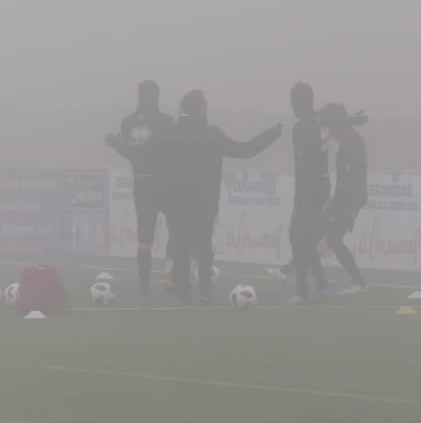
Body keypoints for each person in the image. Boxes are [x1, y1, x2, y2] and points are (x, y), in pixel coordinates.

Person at [156, 90, 281, 305]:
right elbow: (245, 150)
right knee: (204, 245)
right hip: (205, 200)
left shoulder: (173, 133)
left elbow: (159, 163)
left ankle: (183, 291)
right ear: (201, 109)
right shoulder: (212, 134)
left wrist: (163, 198)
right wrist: (271, 135)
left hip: (177, 200)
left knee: (182, 245)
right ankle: (204, 292)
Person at [106, 80, 176, 300]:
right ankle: (171, 275)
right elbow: (156, 150)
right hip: (165, 182)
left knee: (144, 239)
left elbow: (133, 153)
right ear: (156, 96)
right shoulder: (165, 121)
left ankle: (144, 290)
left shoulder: (127, 122)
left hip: (142, 183)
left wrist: (118, 144)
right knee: (177, 228)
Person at [284, 82, 333, 305]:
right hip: (323, 184)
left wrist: (300, 196)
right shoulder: (321, 122)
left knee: (297, 237)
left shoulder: (301, 127)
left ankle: (302, 291)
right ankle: (322, 285)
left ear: (296, 103)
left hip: (309, 187)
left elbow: (304, 164)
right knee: (305, 237)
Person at [320, 103, 369, 294]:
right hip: (344, 198)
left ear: (341, 126)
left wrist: (338, 203)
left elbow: (353, 178)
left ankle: (359, 283)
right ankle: (359, 282)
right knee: (332, 239)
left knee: (328, 235)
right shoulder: (348, 141)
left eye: (333, 129)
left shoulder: (354, 144)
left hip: (349, 200)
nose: (332, 134)